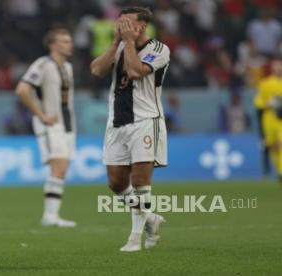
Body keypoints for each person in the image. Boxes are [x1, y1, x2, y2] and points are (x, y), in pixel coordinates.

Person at [90, 6, 168, 252]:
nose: (121, 27)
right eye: (119, 22)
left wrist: (129, 43)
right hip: (117, 121)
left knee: (140, 180)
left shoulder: (159, 49)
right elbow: (96, 70)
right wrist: (115, 43)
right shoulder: (120, 45)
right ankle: (151, 218)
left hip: (145, 120)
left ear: (142, 26)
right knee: (115, 182)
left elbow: (135, 71)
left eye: (126, 23)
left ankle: (135, 237)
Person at [15, 28, 76, 227]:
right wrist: (41, 115)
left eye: (69, 41)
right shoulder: (43, 64)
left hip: (67, 123)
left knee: (62, 168)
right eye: (65, 41)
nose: (70, 44)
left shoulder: (67, 67)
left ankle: (52, 215)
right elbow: (22, 90)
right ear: (53, 45)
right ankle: (50, 216)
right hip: (50, 123)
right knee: (58, 167)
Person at [254, 59, 282, 184]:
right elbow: (258, 102)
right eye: (276, 67)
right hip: (270, 118)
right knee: (274, 146)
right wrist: (269, 103)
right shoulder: (266, 84)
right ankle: (279, 169)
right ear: (272, 69)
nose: (279, 69)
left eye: (281, 66)